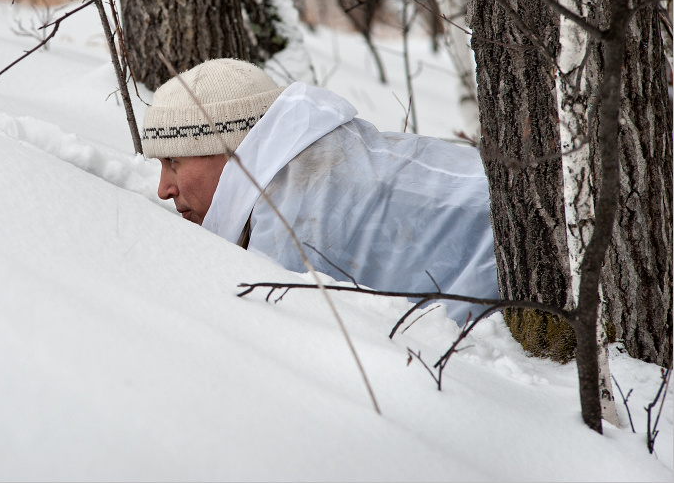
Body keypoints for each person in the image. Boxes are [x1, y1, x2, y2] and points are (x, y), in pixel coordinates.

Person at [141, 58, 499, 323]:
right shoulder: (304, 164)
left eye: (174, 161)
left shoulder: (292, 214)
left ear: (232, 148)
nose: (163, 189)